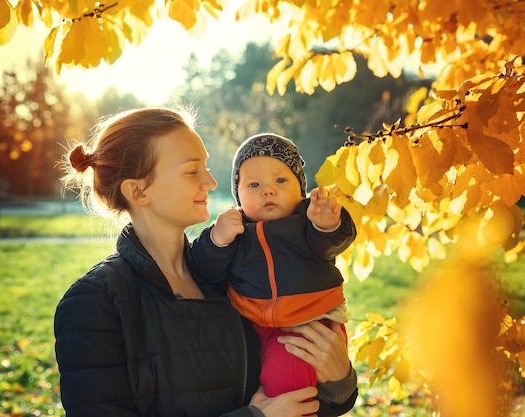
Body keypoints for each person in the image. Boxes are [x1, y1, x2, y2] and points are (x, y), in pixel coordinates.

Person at [54, 107, 358, 417]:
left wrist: (339, 380)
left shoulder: (233, 275)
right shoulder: (95, 303)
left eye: (207, 167)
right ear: (138, 190)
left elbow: (300, 397)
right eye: (191, 170)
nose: (211, 182)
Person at [191, 133, 356, 399]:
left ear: (300, 188)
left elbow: (332, 243)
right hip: (254, 321)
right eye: (253, 184)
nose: (268, 190)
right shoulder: (235, 229)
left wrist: (327, 225)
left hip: (308, 321)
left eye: (280, 180)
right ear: (239, 197)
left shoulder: (307, 223)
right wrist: (217, 240)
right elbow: (205, 270)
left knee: (288, 381)